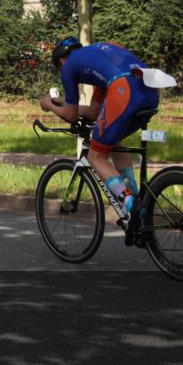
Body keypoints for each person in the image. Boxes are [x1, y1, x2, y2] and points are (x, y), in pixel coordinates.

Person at [40, 38, 160, 228]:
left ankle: (131, 203)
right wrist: (65, 102)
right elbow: (95, 112)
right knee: (113, 140)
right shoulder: (98, 58)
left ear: (62, 60)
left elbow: (71, 116)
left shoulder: (69, 66)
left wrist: (49, 105)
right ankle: (137, 204)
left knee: (96, 157)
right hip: (150, 90)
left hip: (123, 90)